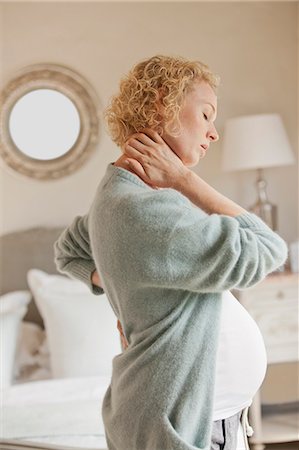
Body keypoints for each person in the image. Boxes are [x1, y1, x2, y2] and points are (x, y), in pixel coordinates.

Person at [54, 55, 288, 450]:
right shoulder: (146, 209)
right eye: (206, 115)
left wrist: (120, 280)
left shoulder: (124, 193)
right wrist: (186, 180)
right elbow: (267, 249)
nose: (214, 133)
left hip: (207, 416)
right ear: (163, 103)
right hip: (186, 425)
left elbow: (69, 251)